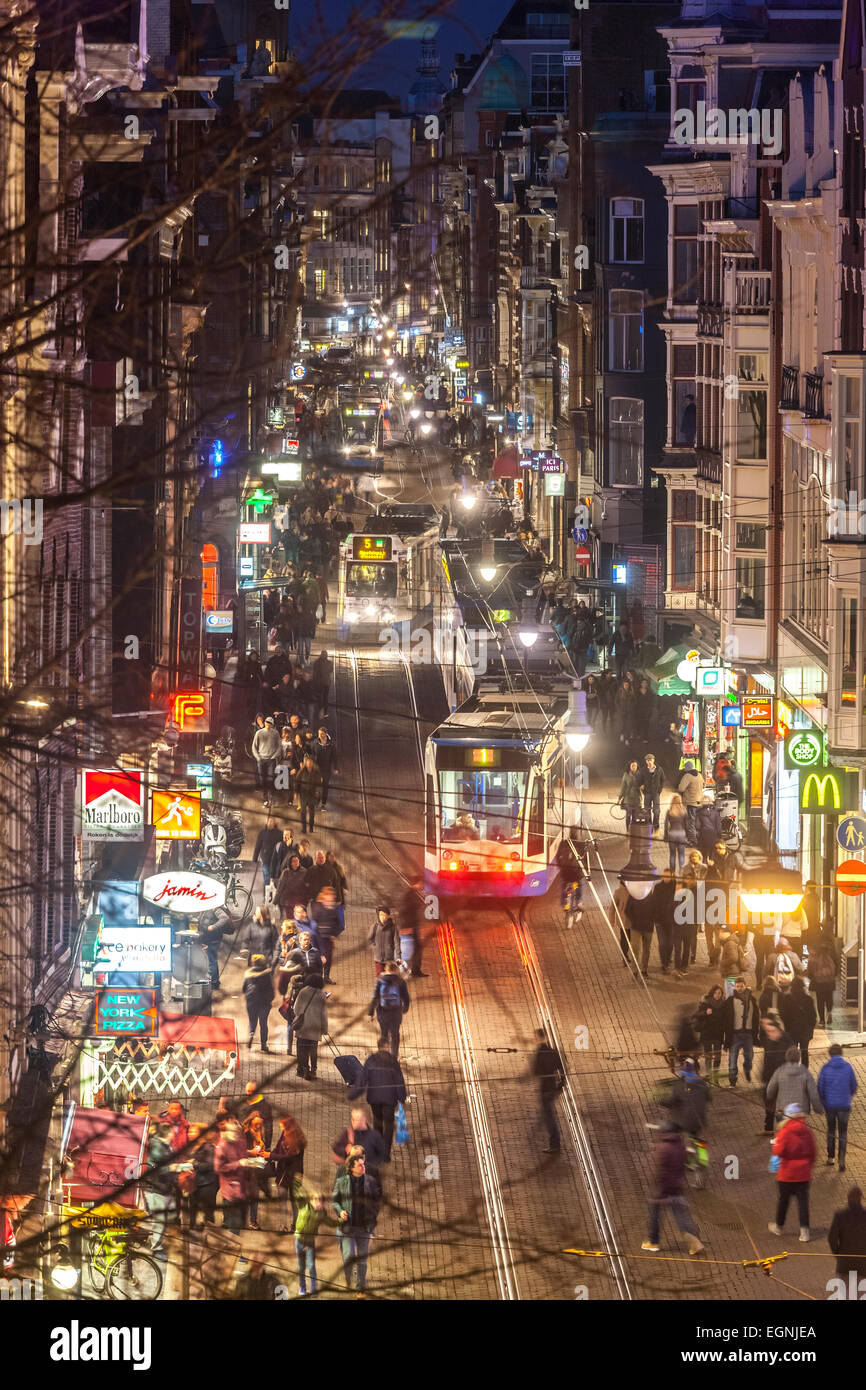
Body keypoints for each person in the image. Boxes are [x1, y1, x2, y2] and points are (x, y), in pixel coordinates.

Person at [641, 1127, 705, 1256]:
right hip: (678, 1186)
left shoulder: (663, 1148)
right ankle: (694, 1240)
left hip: (663, 1189)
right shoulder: (681, 1145)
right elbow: (687, 1161)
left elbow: (661, 1170)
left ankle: (653, 1242)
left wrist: (658, 1189)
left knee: (655, 1213)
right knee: (681, 1215)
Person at [331, 1154, 382, 1296]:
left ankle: (361, 1287)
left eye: (363, 1164)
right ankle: (348, 1278)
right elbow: (334, 1201)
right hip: (348, 1228)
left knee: (362, 1259)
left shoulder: (370, 1181)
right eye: (360, 1165)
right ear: (352, 1168)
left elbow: (376, 1201)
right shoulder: (342, 1182)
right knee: (348, 1256)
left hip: (364, 1228)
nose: (363, 1167)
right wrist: (340, 1211)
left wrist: (372, 1217)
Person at [768, 1103, 816, 1243]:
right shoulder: (807, 1131)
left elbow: (777, 1152)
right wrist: (808, 1166)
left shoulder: (784, 1132)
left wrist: (774, 1167)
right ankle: (805, 1232)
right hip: (803, 1174)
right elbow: (813, 1152)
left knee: (783, 1201)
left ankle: (778, 1227)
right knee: (803, 1203)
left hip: (786, 1174)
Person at [818, 1044, 858, 1172]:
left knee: (831, 1130)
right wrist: (848, 1096)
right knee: (843, 1132)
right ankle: (841, 1159)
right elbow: (854, 1085)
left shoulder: (825, 1069)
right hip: (844, 1106)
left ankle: (830, 1157)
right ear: (841, 1053)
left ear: (830, 1054)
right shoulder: (848, 1067)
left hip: (830, 1105)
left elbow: (820, 1087)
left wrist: (823, 1101)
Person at [362, 1047, 407, 1158]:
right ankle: (385, 1152)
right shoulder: (393, 1062)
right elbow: (399, 1080)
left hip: (374, 1099)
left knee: (377, 1123)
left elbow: (363, 1079)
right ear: (387, 1047)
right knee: (389, 1125)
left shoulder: (370, 1060)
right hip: (389, 1099)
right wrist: (402, 1098)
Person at [766, 1046, 824, 1129]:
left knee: (784, 1134)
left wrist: (770, 1097)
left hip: (782, 1110)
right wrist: (818, 1108)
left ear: (786, 1058)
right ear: (799, 1058)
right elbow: (813, 1093)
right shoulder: (805, 1072)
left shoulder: (780, 1071)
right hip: (800, 1111)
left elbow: (770, 1089)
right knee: (797, 1133)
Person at [293, 1185, 336, 1296]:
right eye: (315, 1199)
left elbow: (331, 1222)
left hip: (310, 1241)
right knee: (301, 1266)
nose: (318, 1202)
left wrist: (341, 1220)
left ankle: (313, 1288)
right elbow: (297, 1195)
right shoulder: (303, 1206)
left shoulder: (321, 1213)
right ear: (311, 1200)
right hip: (299, 1240)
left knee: (311, 1265)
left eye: (320, 1200)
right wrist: (297, 1182)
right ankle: (302, 1286)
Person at [141, 1122, 175, 1260]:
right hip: (156, 1188)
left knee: (164, 1217)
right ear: (168, 1134)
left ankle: (149, 1239)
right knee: (159, 1219)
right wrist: (172, 1168)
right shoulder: (157, 1147)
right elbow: (156, 1168)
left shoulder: (165, 1146)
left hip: (162, 1188)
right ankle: (156, 1248)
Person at [214, 1119, 254, 1234]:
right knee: (235, 1222)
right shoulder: (222, 1146)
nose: (236, 1135)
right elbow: (218, 1168)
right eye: (234, 1132)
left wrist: (249, 1164)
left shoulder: (241, 1142)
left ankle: (233, 1244)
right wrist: (238, 1164)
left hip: (243, 1188)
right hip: (230, 1189)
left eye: (238, 1132)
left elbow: (243, 1158)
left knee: (240, 1221)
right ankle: (233, 1248)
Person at [269, 1114, 307, 1233]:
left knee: (290, 1202)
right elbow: (278, 1148)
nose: (281, 1127)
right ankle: (286, 1226)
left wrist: (270, 1156)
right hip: (290, 1174)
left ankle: (292, 1226)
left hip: (289, 1175)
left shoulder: (296, 1141)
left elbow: (286, 1158)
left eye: (282, 1125)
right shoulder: (285, 1134)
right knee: (287, 1202)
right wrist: (270, 1153)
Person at [722, 977, 760, 1086]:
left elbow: (756, 1017)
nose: (739, 988)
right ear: (735, 987)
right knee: (732, 1059)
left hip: (748, 1034)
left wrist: (756, 1033)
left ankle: (747, 1069)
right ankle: (732, 1080)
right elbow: (723, 1016)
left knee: (749, 1056)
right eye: (737, 986)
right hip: (735, 1035)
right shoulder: (730, 1001)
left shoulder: (752, 1000)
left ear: (745, 985)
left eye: (741, 986)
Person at [532, 1029, 565, 1155]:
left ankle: (555, 1144)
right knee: (549, 1113)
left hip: (545, 1089)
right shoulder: (552, 1052)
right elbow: (561, 1068)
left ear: (538, 1038)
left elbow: (536, 1072)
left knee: (549, 1116)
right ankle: (555, 1142)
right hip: (552, 1087)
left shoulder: (540, 1053)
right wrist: (561, 1084)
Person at [368, 960, 410, 1056]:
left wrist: (371, 1012)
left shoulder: (380, 980)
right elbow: (406, 998)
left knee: (384, 1034)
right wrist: (405, 1009)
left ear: (386, 970)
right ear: (396, 970)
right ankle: (394, 1056)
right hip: (395, 1013)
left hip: (383, 1013)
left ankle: (383, 1055)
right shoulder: (400, 981)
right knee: (395, 1034)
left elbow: (375, 997)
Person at [331, 1106, 389, 1176]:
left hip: (367, 1174)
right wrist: (346, 1151)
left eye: (357, 1119)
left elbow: (384, 1154)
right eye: (352, 1119)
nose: (353, 1122)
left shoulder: (374, 1136)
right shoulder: (348, 1133)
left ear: (364, 1120)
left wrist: (370, 1165)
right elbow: (336, 1147)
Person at [760, 1017, 794, 1133]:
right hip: (771, 1077)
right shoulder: (769, 1041)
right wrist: (765, 1076)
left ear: (778, 1030)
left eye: (772, 1031)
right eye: (768, 1032)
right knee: (769, 1102)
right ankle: (768, 1128)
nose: (770, 1034)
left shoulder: (786, 1040)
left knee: (780, 1105)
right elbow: (767, 1060)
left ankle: (782, 1130)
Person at [659, 1058, 710, 1137]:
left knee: (668, 1128)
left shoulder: (679, 1086)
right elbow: (708, 1098)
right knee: (696, 1139)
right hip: (700, 1122)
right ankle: (701, 1149)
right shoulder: (703, 1084)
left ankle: (679, 1148)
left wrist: (661, 1101)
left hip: (683, 1123)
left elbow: (672, 1102)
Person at [292, 972, 329, 1080]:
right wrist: (325, 1029)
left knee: (301, 1049)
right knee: (313, 1050)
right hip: (315, 1028)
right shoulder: (322, 995)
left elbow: (296, 1009)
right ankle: (313, 1070)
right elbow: (324, 1014)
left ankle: (303, 1069)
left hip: (303, 1027)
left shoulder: (303, 992)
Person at [184, 1124, 218, 1230]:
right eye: (189, 1132)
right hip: (194, 1183)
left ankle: (209, 1236)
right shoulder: (191, 1146)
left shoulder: (208, 1147)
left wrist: (193, 1164)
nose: (190, 1134)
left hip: (207, 1184)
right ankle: (191, 1232)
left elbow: (210, 1164)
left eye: (193, 1132)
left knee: (207, 1213)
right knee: (192, 1210)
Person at [828, 1187, 866, 1281]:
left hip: (845, 1263)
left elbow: (832, 1238)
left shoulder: (840, 1215)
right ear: (860, 1198)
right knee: (861, 1293)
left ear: (848, 1198)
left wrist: (837, 1254)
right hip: (863, 1263)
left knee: (845, 1290)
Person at [779, 977, 817, 1067]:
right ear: (803, 987)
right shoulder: (808, 999)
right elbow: (813, 1016)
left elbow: (783, 1015)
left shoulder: (787, 998)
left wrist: (786, 1028)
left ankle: (793, 1069)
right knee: (804, 1052)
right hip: (805, 1031)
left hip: (792, 1031)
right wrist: (810, 1029)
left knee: (793, 1052)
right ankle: (804, 1070)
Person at [311, 886, 343, 984]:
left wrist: (334, 934)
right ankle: (319, 977)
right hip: (320, 938)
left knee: (328, 958)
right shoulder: (318, 907)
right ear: (324, 896)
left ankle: (326, 977)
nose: (331, 898)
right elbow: (314, 922)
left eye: (332, 896)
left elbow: (339, 924)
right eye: (329, 896)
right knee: (320, 958)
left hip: (329, 938)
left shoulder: (334, 909)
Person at [243, 1113, 270, 1230]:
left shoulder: (260, 1133)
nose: (258, 1126)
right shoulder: (245, 1133)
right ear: (250, 1122)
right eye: (256, 1124)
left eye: (260, 1124)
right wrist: (251, 1152)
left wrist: (261, 1152)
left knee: (255, 1195)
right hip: (246, 1167)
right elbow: (239, 1150)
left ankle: (253, 1220)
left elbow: (261, 1147)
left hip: (256, 1167)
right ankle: (243, 1220)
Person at [243, 954, 274, 1052]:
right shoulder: (267, 973)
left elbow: (244, 988)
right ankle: (263, 1044)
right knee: (263, 1023)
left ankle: (251, 1034)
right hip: (264, 1001)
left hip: (251, 1000)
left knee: (252, 1020)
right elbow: (270, 988)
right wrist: (271, 999)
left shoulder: (248, 973)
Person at [695, 985, 726, 1079]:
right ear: (712, 993)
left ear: (722, 994)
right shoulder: (705, 1003)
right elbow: (697, 1016)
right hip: (707, 1033)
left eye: (719, 993)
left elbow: (726, 1019)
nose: (717, 995)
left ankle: (715, 1075)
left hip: (718, 1034)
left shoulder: (724, 1005)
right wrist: (705, 1013)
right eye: (716, 993)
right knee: (708, 1056)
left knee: (717, 1056)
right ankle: (708, 1075)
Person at [650, 869, 677, 973]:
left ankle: (668, 958)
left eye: (668, 876)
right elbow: (653, 903)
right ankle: (664, 964)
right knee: (662, 943)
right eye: (664, 876)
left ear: (672, 876)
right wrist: (654, 917)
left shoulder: (675, 887)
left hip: (671, 920)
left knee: (670, 943)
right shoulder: (658, 887)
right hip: (659, 920)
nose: (666, 878)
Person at [808, 931, 837, 1027]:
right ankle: (829, 1012)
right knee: (829, 997)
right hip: (829, 979)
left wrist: (811, 976)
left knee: (820, 1000)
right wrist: (834, 975)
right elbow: (836, 962)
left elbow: (811, 964)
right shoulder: (831, 949)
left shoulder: (815, 949)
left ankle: (821, 1020)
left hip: (818, 980)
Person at [625, 889, 655, 978]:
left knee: (647, 949)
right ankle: (635, 970)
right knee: (635, 948)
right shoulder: (634, 894)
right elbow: (627, 910)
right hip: (636, 927)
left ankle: (644, 970)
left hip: (648, 927)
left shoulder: (651, 896)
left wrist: (651, 920)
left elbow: (656, 909)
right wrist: (634, 920)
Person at [252, 716, 282, 801]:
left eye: (270, 723)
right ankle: (265, 798)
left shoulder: (275, 733)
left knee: (270, 778)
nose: (268, 724)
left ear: (272, 725)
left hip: (271, 760)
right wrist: (258, 757)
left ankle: (271, 795)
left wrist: (274, 756)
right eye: (267, 722)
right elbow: (254, 747)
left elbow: (279, 747)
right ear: (265, 723)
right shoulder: (259, 733)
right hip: (261, 759)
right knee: (263, 779)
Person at [252, 815, 282, 897]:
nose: (270, 823)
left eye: (272, 821)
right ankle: (266, 896)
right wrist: (255, 858)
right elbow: (258, 845)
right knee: (266, 879)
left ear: (275, 823)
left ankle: (274, 896)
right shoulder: (262, 833)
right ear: (267, 822)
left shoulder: (279, 834)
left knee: (275, 879)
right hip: (265, 860)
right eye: (269, 821)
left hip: (275, 861)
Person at [295, 753, 323, 833]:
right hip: (303, 794)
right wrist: (296, 792)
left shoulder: (316, 771)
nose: (309, 763)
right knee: (303, 812)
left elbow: (319, 783)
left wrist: (317, 791)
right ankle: (304, 828)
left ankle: (311, 827)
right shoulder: (302, 771)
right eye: (307, 761)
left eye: (310, 761)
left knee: (311, 812)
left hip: (312, 793)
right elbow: (297, 782)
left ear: (313, 762)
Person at [678, 763, 704, 846]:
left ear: (686, 769)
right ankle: (699, 838)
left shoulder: (687, 776)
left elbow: (681, 788)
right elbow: (704, 785)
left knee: (691, 822)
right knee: (698, 822)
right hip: (699, 801)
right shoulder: (700, 775)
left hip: (691, 802)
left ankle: (692, 841)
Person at [242, 1080, 273, 1147]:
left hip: (256, 1142)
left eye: (252, 1091)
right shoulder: (243, 1103)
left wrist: (267, 1145)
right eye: (248, 1091)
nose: (249, 1093)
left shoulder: (265, 1106)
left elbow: (268, 1128)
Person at [313, 726, 338, 808]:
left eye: (322, 734)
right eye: (319, 734)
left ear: (326, 734)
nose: (320, 735)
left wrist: (336, 768)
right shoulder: (315, 743)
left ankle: (323, 803)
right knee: (316, 785)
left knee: (325, 786)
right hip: (317, 768)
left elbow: (335, 757)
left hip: (326, 768)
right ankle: (316, 801)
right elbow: (311, 753)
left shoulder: (331, 744)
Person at [718, 926, 746, 998]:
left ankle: (731, 1008)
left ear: (728, 933)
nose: (720, 934)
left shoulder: (729, 943)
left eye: (722, 932)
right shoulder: (731, 941)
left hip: (731, 972)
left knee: (730, 995)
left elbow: (733, 958)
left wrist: (722, 963)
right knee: (732, 994)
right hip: (733, 972)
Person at [368, 906, 397, 976]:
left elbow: (397, 942)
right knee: (380, 976)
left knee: (389, 976)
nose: (382, 917)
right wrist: (374, 947)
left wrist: (398, 956)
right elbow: (369, 939)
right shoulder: (374, 926)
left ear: (388, 916)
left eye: (384, 915)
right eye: (380, 915)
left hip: (389, 958)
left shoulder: (393, 928)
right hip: (378, 958)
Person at [663, 794, 688, 872]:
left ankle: (672, 872)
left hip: (672, 833)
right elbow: (687, 824)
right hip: (681, 833)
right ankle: (681, 871)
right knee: (681, 854)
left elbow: (666, 824)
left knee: (672, 854)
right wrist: (687, 835)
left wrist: (665, 835)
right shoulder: (684, 810)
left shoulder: (669, 811)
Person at [640, 753, 665, 831]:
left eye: (650, 760)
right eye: (647, 760)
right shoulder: (643, 770)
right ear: (646, 761)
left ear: (653, 760)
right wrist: (641, 785)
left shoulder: (659, 769)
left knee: (656, 811)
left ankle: (656, 828)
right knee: (647, 810)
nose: (649, 762)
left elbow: (663, 780)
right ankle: (649, 827)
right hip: (647, 793)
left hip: (656, 793)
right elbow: (640, 780)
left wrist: (659, 790)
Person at [695, 793, 723, 858]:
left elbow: (697, 826)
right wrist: (720, 836)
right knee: (712, 855)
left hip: (703, 835)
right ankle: (711, 866)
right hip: (713, 835)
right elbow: (718, 826)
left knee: (703, 855)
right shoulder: (715, 812)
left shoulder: (699, 813)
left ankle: (704, 865)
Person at [618, 760, 644, 829]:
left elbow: (643, 785)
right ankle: (627, 830)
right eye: (632, 765)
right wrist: (619, 799)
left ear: (637, 766)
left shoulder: (640, 774)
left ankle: (633, 831)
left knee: (635, 817)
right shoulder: (626, 775)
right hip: (628, 799)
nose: (634, 767)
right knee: (628, 816)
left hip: (637, 799)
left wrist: (643, 787)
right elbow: (623, 787)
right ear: (629, 766)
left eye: (635, 765)